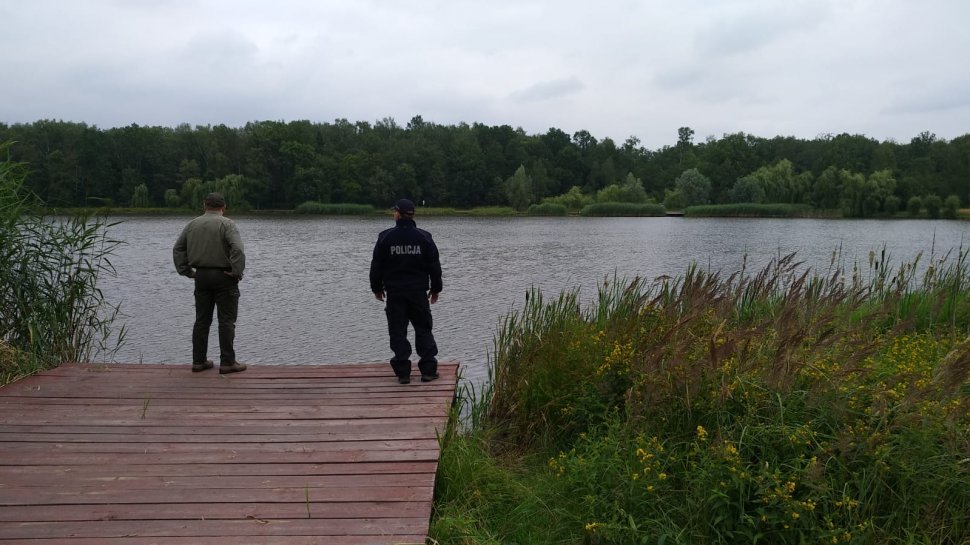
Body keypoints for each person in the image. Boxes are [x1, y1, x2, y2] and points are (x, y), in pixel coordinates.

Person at [173, 192, 247, 374]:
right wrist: (236, 271)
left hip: (201, 277)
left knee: (201, 320)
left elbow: (178, 248)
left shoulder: (192, 224)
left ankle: (199, 361)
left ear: (204, 206)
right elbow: (237, 248)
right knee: (226, 320)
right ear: (224, 207)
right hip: (224, 276)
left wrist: (187, 271)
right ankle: (228, 362)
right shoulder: (227, 224)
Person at [370, 198, 442, 384]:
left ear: (398, 214)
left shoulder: (385, 237)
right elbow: (434, 266)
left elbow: (376, 266)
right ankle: (428, 371)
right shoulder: (424, 237)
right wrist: (435, 289)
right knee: (423, 330)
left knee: (397, 332)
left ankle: (403, 373)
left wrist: (376, 288)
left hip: (395, 294)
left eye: (394, 211)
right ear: (412, 215)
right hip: (418, 293)